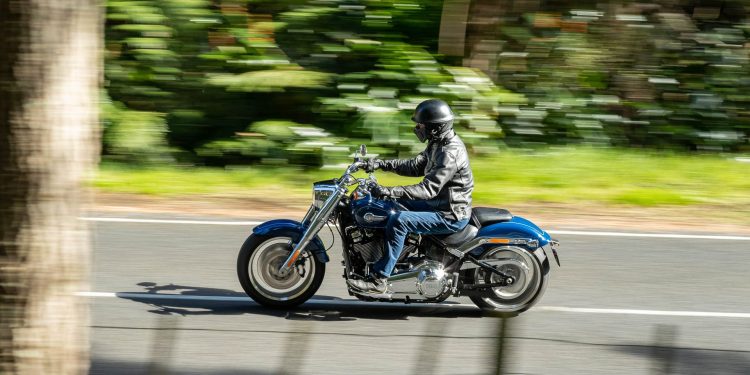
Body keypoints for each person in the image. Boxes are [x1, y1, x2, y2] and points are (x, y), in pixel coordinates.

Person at [348, 99, 474, 293]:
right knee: (388, 205)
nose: (417, 128)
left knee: (400, 221)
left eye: (421, 124)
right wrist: (380, 164)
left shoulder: (450, 152)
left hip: (449, 214)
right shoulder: (437, 143)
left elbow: (428, 189)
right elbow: (415, 166)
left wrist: (389, 190)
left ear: (434, 127)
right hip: (438, 204)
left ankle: (379, 279)